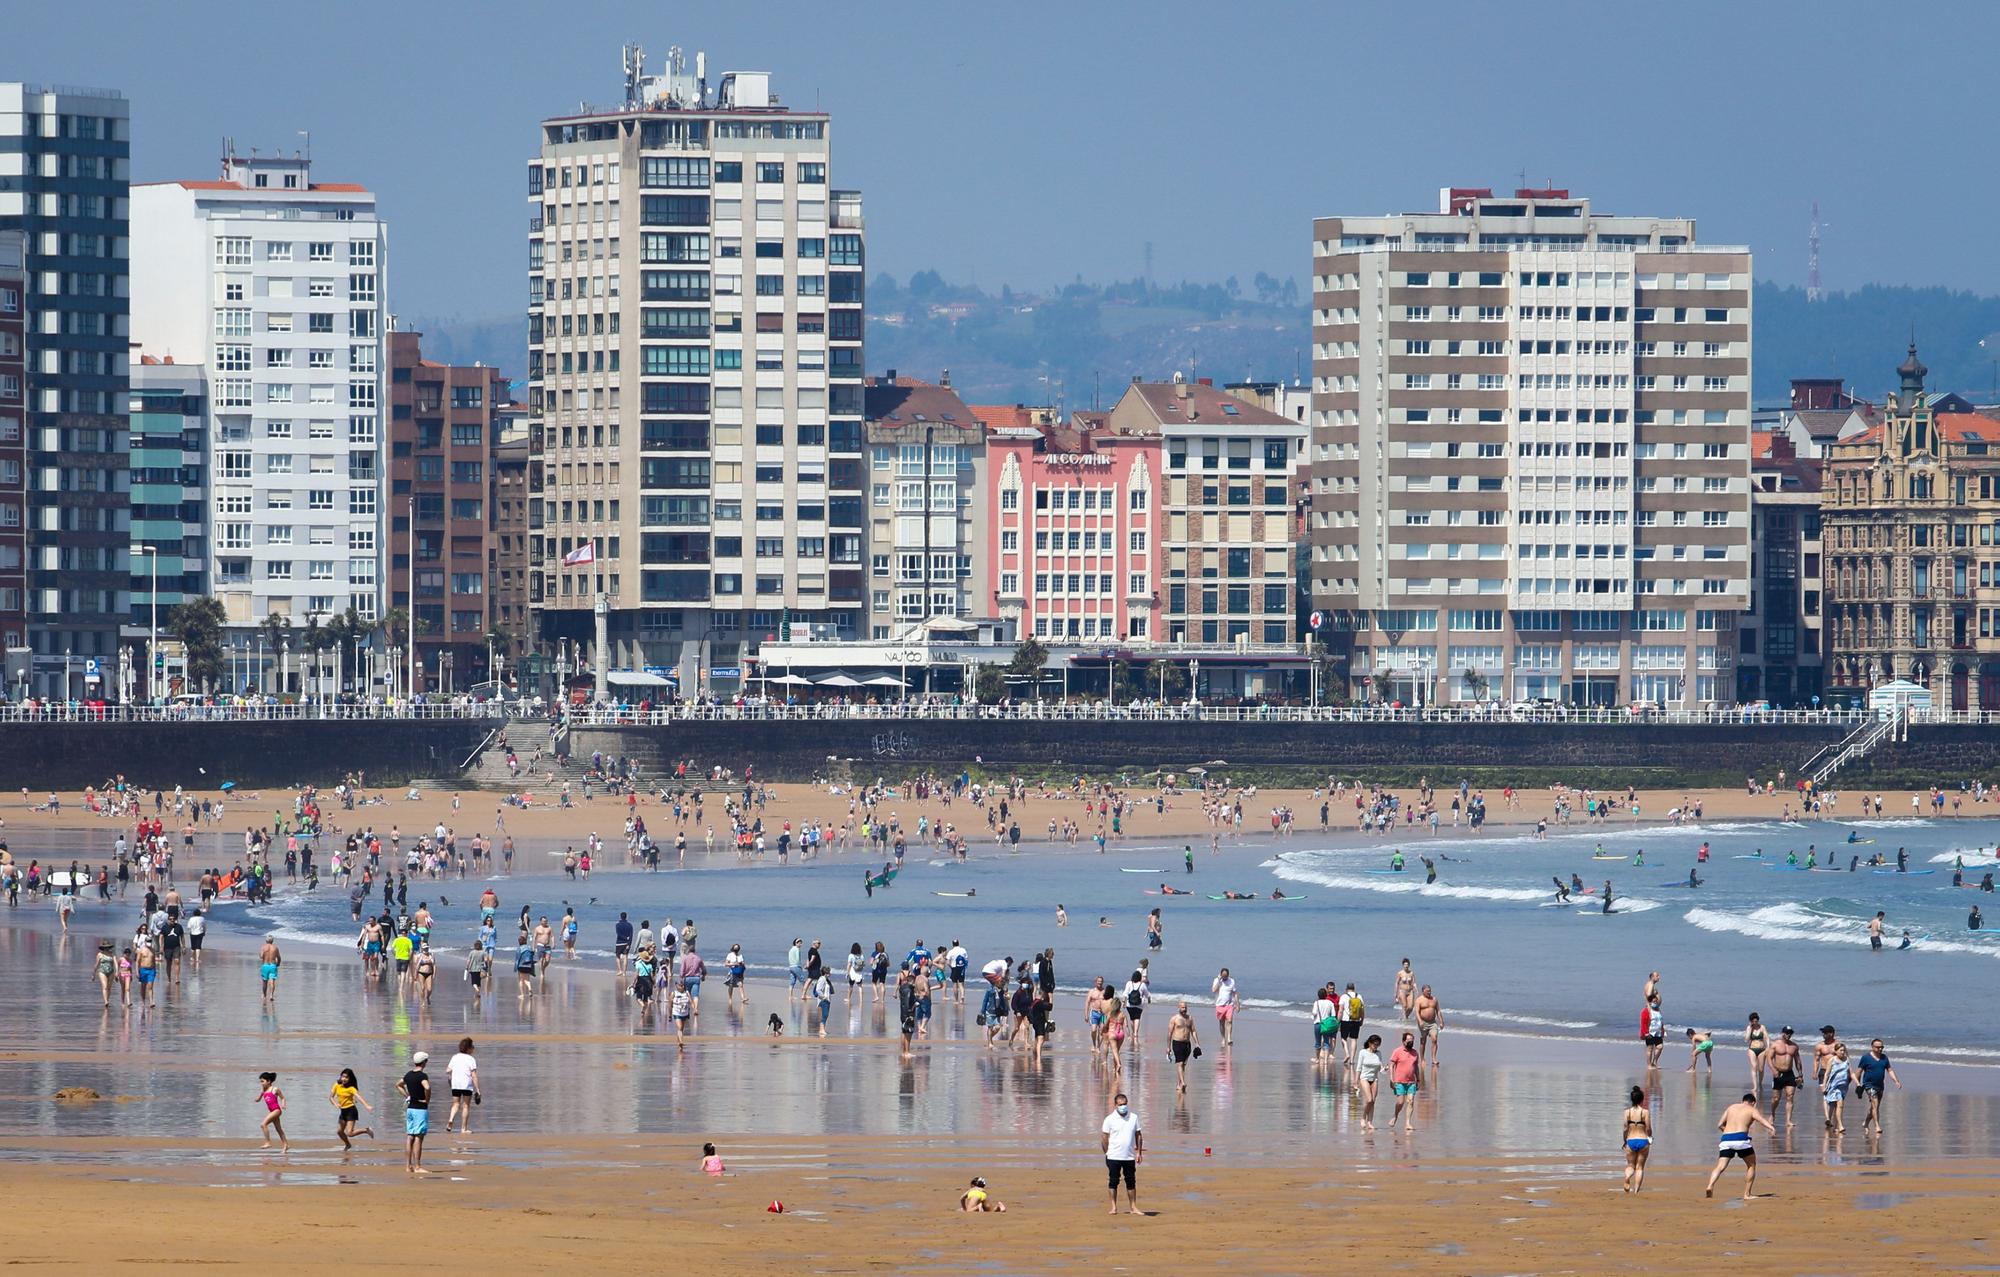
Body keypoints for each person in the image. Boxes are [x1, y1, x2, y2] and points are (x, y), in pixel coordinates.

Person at [1705, 1093, 1776, 1199]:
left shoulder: (1731, 1108)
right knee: (1751, 1165)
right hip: (1741, 1140)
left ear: (1742, 1100)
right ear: (1753, 1103)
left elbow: (1719, 1124)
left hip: (1726, 1139)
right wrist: (1771, 1128)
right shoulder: (1751, 1110)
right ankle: (1747, 1194)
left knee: (1720, 1166)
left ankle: (1710, 1185)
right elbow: (1761, 1120)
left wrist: (1727, 1133)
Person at [1099, 1092, 1143, 1216]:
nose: (1123, 1106)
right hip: (1113, 1156)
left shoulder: (1133, 1117)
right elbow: (1104, 1137)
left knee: (1131, 1181)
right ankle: (1113, 1207)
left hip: (1129, 1156)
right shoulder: (1109, 1119)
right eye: (1120, 1104)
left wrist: (1139, 1152)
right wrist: (1107, 1153)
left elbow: (1138, 1135)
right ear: (1115, 1105)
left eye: (1124, 1104)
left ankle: (1133, 1207)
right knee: (1113, 1181)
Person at [1857, 1038, 1901, 1132]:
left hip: (1880, 1086)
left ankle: (1866, 1123)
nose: (1880, 1049)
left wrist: (1896, 1081)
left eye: (1882, 1047)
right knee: (1875, 1104)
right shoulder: (1866, 1057)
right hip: (1869, 1085)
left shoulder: (1884, 1058)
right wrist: (1858, 1085)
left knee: (1874, 1107)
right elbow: (1859, 1071)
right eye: (1878, 1047)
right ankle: (1877, 1126)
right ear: (1872, 1047)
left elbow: (1889, 1070)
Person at [398, 1051, 432, 1173]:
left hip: (410, 1108)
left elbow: (398, 1084)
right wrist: (427, 1100)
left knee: (410, 1137)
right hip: (420, 1109)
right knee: (419, 1137)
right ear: (423, 1062)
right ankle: (417, 1166)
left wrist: (407, 1096)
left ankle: (408, 1166)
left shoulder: (408, 1075)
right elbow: (427, 1087)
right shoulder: (422, 1076)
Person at [330, 1068, 375, 1150]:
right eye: (343, 1076)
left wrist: (367, 1106)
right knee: (339, 1132)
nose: (344, 1079)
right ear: (340, 1076)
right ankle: (348, 1145)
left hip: (351, 1110)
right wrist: (335, 1103)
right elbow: (331, 1097)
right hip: (343, 1111)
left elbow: (359, 1097)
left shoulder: (351, 1088)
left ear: (350, 1079)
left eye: (346, 1077)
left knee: (349, 1133)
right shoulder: (337, 1085)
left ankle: (366, 1130)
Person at [1621, 1085, 1653, 1192]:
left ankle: (1627, 1177)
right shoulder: (1645, 1112)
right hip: (1643, 1140)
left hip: (1631, 1140)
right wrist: (1650, 1138)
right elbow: (1648, 1128)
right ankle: (1636, 1191)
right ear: (1642, 1099)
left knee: (1630, 1165)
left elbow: (1625, 1128)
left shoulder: (1627, 1112)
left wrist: (1625, 1140)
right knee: (1640, 1167)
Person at [444, 1038, 479, 1134]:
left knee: (455, 1104)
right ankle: (463, 1129)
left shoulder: (455, 1057)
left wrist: (452, 1074)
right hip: (466, 1085)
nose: (473, 1049)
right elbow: (474, 1075)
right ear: (468, 1048)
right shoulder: (471, 1059)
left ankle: (450, 1120)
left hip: (455, 1084)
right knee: (466, 1106)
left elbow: (447, 1070)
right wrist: (478, 1090)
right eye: (472, 1047)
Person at [1769, 1026, 1803, 1123]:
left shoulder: (1794, 1046)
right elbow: (1769, 1058)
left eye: (1790, 1033)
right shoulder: (1775, 1044)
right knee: (1776, 1098)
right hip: (1778, 1073)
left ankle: (1788, 1120)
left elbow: (1798, 1061)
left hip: (1789, 1073)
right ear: (1782, 1033)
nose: (1788, 1035)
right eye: (1787, 1033)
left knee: (1790, 1095)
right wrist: (1773, 1070)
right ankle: (1772, 1114)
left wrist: (1800, 1074)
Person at [1389, 1032, 1421, 1132]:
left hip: (1411, 1082)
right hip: (1399, 1081)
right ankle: (1395, 1115)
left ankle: (1407, 1122)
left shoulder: (1415, 1053)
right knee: (1400, 1102)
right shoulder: (1397, 1051)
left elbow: (1415, 1067)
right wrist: (1391, 1078)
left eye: (1412, 1040)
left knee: (1410, 1101)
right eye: (1409, 1040)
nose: (1411, 1042)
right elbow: (1391, 1065)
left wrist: (1418, 1079)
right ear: (1404, 1041)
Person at [1166, 1000, 1198, 1091]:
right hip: (1177, 1043)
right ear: (1179, 1008)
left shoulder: (1190, 1018)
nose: (1184, 1009)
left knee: (1183, 1064)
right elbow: (1169, 1033)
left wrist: (1197, 1044)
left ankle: (1179, 1084)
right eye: (1183, 1007)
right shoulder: (1174, 1019)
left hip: (1187, 1044)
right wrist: (1168, 1047)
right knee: (1179, 1063)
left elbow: (1193, 1031)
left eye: (1185, 1007)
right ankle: (1183, 1082)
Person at [256, 1071, 290, 1153]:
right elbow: (258, 1099)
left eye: (262, 1081)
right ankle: (286, 1145)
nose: (261, 1083)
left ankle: (268, 1142)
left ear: (269, 1081)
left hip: (276, 1110)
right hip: (272, 1111)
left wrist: (283, 1105)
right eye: (260, 1081)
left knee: (263, 1124)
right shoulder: (263, 1090)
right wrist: (257, 1098)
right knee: (278, 1129)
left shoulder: (275, 1089)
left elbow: (283, 1098)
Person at [1356, 1033, 1384, 1131]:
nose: (1376, 1046)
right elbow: (1358, 1068)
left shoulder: (1378, 1053)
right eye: (1374, 1044)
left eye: (1378, 1045)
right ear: (1369, 1043)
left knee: (1373, 1101)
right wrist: (1356, 1081)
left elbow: (1381, 1068)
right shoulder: (1363, 1052)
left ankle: (1370, 1122)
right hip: (1364, 1078)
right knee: (1369, 1100)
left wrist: (1385, 1069)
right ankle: (1363, 1117)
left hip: (1374, 1078)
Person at [1822, 1043, 1851, 1133]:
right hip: (1833, 1086)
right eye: (1840, 1050)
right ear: (1836, 1051)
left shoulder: (1847, 1060)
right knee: (1839, 1104)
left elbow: (1850, 1073)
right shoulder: (1832, 1060)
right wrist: (1824, 1085)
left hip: (1843, 1086)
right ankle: (1840, 1126)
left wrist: (1854, 1082)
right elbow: (1827, 1073)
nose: (1842, 1052)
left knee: (1833, 1105)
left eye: (1843, 1050)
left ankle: (1830, 1122)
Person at [1211, 966, 1239, 1047]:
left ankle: (1229, 1038)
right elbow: (1213, 990)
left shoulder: (1231, 981)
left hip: (1229, 1005)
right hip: (1219, 1005)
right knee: (1221, 1023)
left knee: (1229, 1021)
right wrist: (1219, 981)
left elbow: (1235, 993)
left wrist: (1238, 1004)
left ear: (1228, 975)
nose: (1224, 978)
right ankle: (1223, 1038)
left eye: (1226, 976)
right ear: (1220, 975)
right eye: (1223, 976)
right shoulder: (1217, 980)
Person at [1745, 1012, 1769, 1086]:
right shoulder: (1749, 1028)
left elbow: (1766, 1037)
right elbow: (1746, 1040)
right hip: (1752, 1049)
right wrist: (1750, 1030)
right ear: (1751, 1021)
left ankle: (1760, 1083)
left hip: (1762, 1049)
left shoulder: (1762, 1027)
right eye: (1753, 1021)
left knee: (1761, 1069)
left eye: (1756, 1021)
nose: (1755, 1023)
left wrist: (1768, 1047)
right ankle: (1755, 1086)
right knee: (1754, 1066)